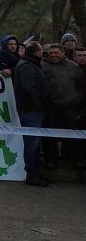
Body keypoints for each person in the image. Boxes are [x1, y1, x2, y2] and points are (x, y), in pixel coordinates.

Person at [41, 42, 85, 170]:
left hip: (71, 105)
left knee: (73, 134)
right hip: (51, 106)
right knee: (51, 135)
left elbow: (82, 85)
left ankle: (75, 158)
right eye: (51, 53)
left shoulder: (73, 66)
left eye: (56, 53)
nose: (53, 55)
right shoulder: (43, 65)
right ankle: (51, 159)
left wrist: (78, 99)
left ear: (63, 53)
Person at [13, 42, 49, 187]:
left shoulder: (30, 64)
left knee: (35, 144)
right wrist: (39, 105)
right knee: (32, 144)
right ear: (36, 52)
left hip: (33, 109)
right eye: (41, 51)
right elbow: (28, 88)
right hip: (31, 110)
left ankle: (36, 173)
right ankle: (32, 174)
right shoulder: (27, 66)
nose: (43, 53)